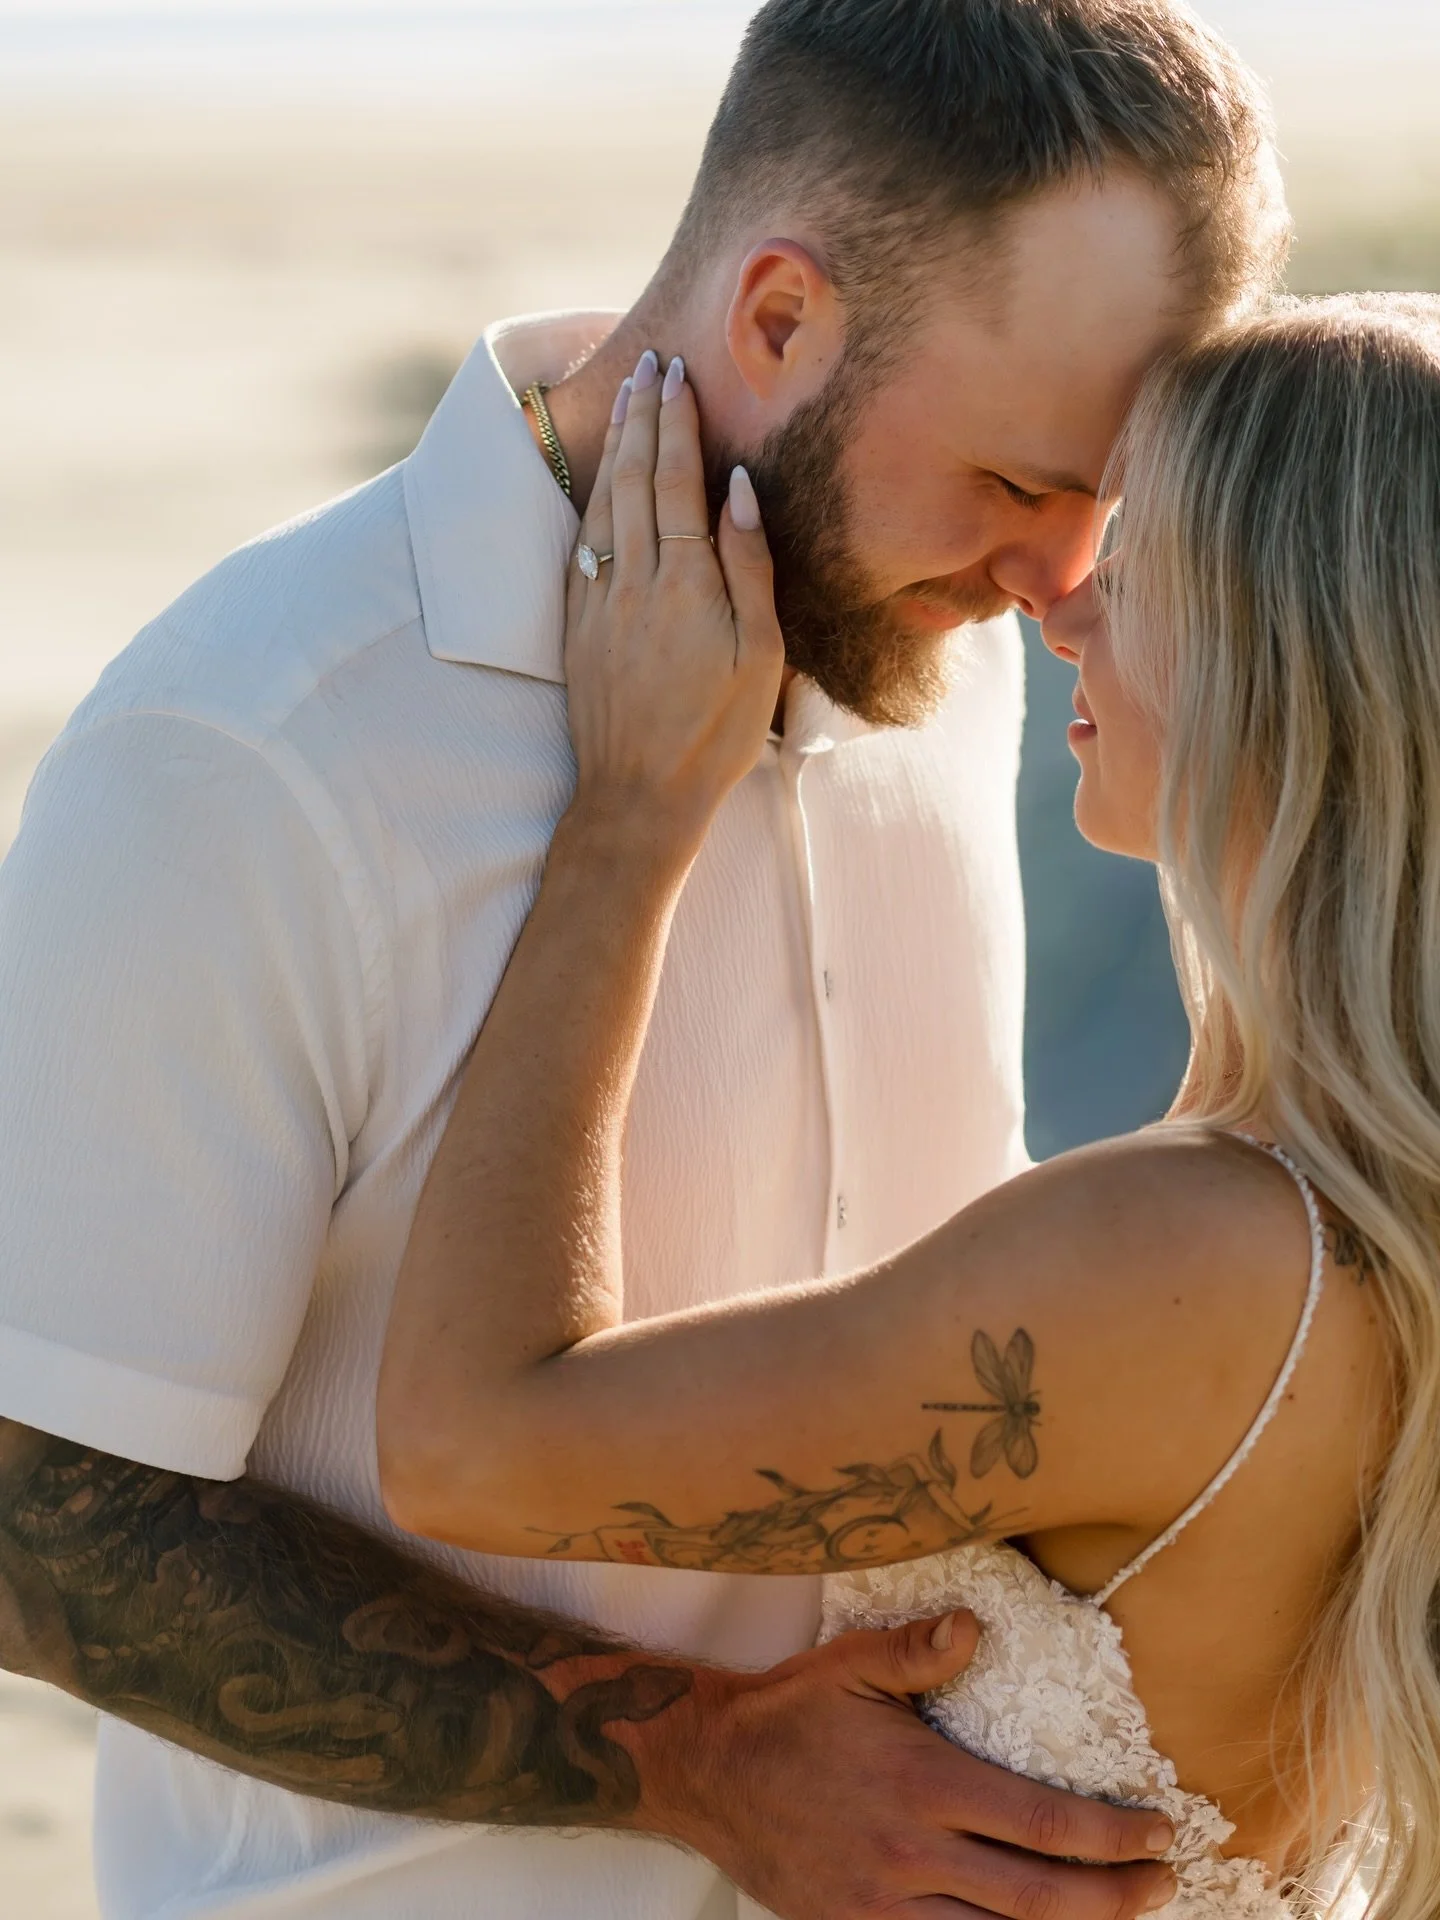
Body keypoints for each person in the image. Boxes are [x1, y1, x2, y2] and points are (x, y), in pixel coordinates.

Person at [0, 4, 1286, 1917]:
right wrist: (687, 1761)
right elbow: (36, 1529)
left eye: (1108, 500)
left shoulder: (952, 665)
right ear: (778, 320)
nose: (1057, 576)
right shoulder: (247, 752)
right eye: (1022, 484)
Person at [376, 293, 1440, 1920]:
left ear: (1280, 652)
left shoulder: (1183, 1256)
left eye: (1137, 561)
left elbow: (467, 1444)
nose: (1060, 614)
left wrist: (630, 820)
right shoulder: (1362, 1215)